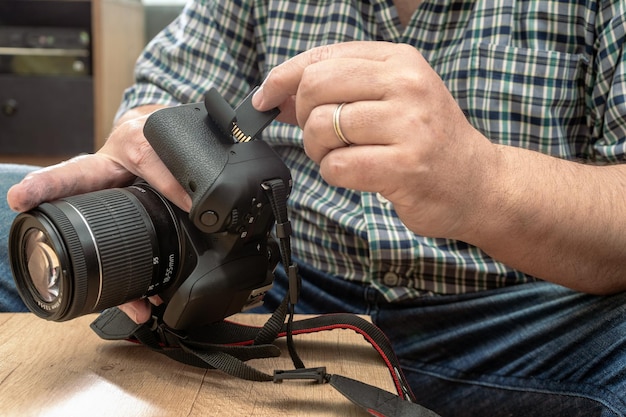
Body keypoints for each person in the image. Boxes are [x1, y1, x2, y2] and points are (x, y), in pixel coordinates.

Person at [3, 0, 626, 415]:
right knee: (16, 200)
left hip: (521, 319)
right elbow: (162, 100)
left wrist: (482, 184)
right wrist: (141, 138)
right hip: (271, 285)